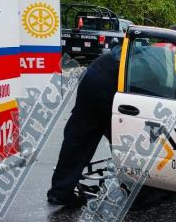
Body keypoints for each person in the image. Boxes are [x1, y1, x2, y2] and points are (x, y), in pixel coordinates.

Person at [47, 49, 121, 206]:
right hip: (107, 81)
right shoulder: (173, 56)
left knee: (79, 137)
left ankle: (60, 191)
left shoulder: (164, 50)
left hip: (95, 76)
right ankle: (144, 192)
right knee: (127, 140)